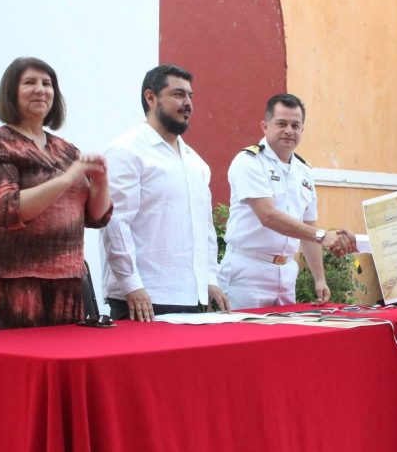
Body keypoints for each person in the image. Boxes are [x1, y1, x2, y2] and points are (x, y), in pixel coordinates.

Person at [0, 57, 112, 328]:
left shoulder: (66, 150)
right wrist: (68, 177)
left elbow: (97, 217)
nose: (41, 89)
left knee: (63, 362)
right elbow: (4, 208)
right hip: (14, 283)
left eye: (47, 84)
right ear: (11, 92)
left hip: (67, 283)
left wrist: (101, 181)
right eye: (29, 83)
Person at [101, 64, 228, 321]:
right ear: (151, 97)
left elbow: (205, 230)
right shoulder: (126, 151)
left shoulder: (196, 163)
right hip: (142, 299)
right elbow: (115, 222)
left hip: (190, 297)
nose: (188, 103)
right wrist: (132, 284)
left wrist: (210, 279)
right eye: (178, 94)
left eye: (190, 96)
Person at [221, 93, 356, 308]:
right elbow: (268, 216)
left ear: (302, 129)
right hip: (248, 273)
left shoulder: (304, 172)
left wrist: (319, 279)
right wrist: (323, 236)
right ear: (265, 126)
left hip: (286, 274)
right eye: (281, 123)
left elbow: (308, 226)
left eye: (296, 125)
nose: (289, 131)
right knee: (244, 339)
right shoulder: (249, 162)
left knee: (282, 340)